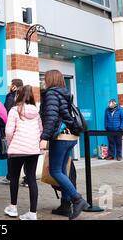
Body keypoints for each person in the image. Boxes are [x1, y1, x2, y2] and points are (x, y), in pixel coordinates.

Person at [39, 70, 89, 220]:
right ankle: (65, 205)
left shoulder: (51, 94)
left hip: (60, 138)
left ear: (50, 79)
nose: (44, 81)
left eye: (45, 78)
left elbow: (52, 117)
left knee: (55, 171)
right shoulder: (65, 93)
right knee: (62, 171)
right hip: (71, 137)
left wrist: (44, 137)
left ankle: (77, 199)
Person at [3, 85, 42, 220]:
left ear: (18, 96)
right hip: (33, 150)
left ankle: (13, 208)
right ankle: (32, 213)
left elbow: (8, 131)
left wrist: (10, 142)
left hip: (17, 150)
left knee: (14, 177)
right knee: (31, 178)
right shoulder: (36, 112)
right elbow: (41, 130)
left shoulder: (14, 110)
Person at [1, 79, 24, 185]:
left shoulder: (11, 96)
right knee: (25, 153)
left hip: (14, 130)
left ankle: (10, 176)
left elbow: (7, 111)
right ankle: (27, 178)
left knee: (13, 154)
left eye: (11, 84)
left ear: (14, 86)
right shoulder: (26, 96)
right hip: (25, 131)